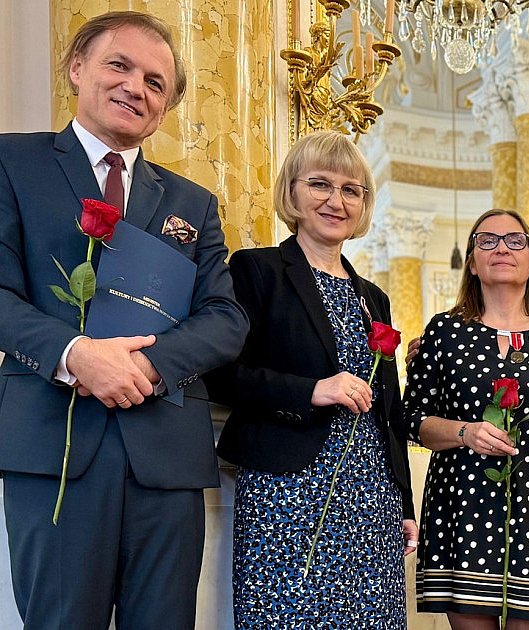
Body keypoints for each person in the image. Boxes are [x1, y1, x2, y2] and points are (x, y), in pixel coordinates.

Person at [0, 11, 248, 629]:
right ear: (77, 68)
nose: (137, 87)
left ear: (164, 110)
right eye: (120, 65)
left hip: (165, 453)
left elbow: (225, 317)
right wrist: (75, 355)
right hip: (53, 444)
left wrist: (145, 366)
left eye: (156, 82)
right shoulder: (11, 162)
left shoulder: (193, 203)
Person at [203, 131, 417, 628]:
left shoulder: (374, 297)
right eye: (320, 184)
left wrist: (403, 502)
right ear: (292, 193)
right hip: (287, 494)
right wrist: (312, 390)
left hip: (370, 497)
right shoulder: (257, 270)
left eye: (351, 189)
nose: (335, 200)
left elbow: (391, 413)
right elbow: (221, 376)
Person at [403, 209, 529, 629]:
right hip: (462, 508)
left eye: (515, 240)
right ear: (472, 262)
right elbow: (413, 419)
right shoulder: (443, 332)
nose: (502, 248)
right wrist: (464, 432)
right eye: (487, 240)